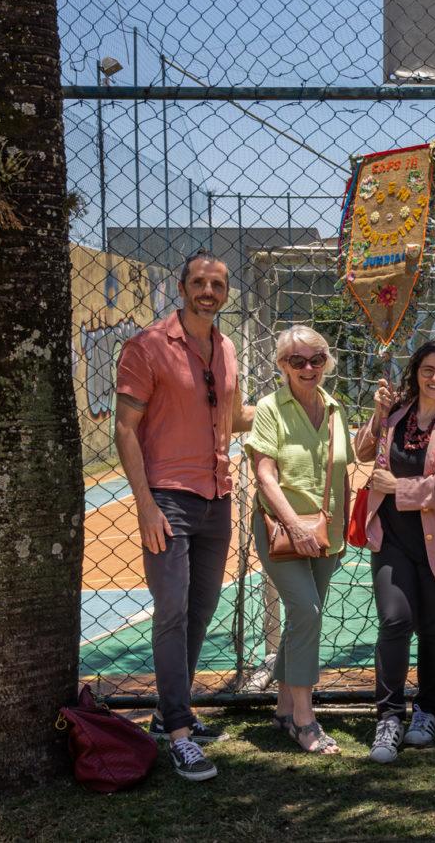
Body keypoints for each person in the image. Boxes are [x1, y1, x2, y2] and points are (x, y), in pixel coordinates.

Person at [114, 249, 254, 781]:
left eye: (217, 284)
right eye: (199, 282)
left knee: (200, 610)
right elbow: (124, 428)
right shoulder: (147, 346)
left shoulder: (227, 348)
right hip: (168, 499)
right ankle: (178, 731)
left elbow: (234, 416)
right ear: (182, 287)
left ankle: (170, 714)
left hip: (217, 497)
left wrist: (294, 398)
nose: (208, 292)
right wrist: (145, 505)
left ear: (224, 293)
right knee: (171, 611)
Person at [353, 340, 435, 764]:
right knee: (394, 620)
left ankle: (427, 710)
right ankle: (388, 716)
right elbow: (362, 450)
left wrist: (397, 488)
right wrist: (376, 415)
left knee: (433, 628)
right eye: (428, 368)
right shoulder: (396, 411)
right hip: (392, 537)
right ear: (416, 371)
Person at [244, 325, 349, 754]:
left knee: (304, 615)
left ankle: (285, 709)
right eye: (297, 361)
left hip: (328, 530)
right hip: (281, 528)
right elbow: (264, 474)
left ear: (327, 361)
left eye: (316, 359)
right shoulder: (270, 408)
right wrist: (293, 525)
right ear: (282, 366)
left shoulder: (335, 407)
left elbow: (353, 457)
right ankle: (306, 720)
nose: (308, 368)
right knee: (306, 610)